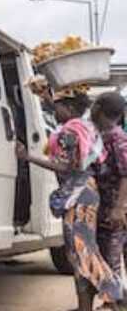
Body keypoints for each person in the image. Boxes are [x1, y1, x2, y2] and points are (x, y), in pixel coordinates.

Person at [16, 89, 123, 311]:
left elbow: (66, 166)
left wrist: (28, 157)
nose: (54, 111)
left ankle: (115, 295)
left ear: (71, 108)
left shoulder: (71, 132)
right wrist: (49, 97)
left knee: (81, 253)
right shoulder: (84, 127)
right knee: (83, 252)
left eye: (57, 107)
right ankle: (108, 297)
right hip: (87, 195)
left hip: (79, 197)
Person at [91, 93, 127, 305]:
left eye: (94, 105)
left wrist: (119, 208)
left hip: (115, 208)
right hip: (110, 206)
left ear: (99, 109)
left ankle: (113, 303)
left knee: (111, 259)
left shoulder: (117, 137)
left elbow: (126, 173)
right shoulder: (103, 135)